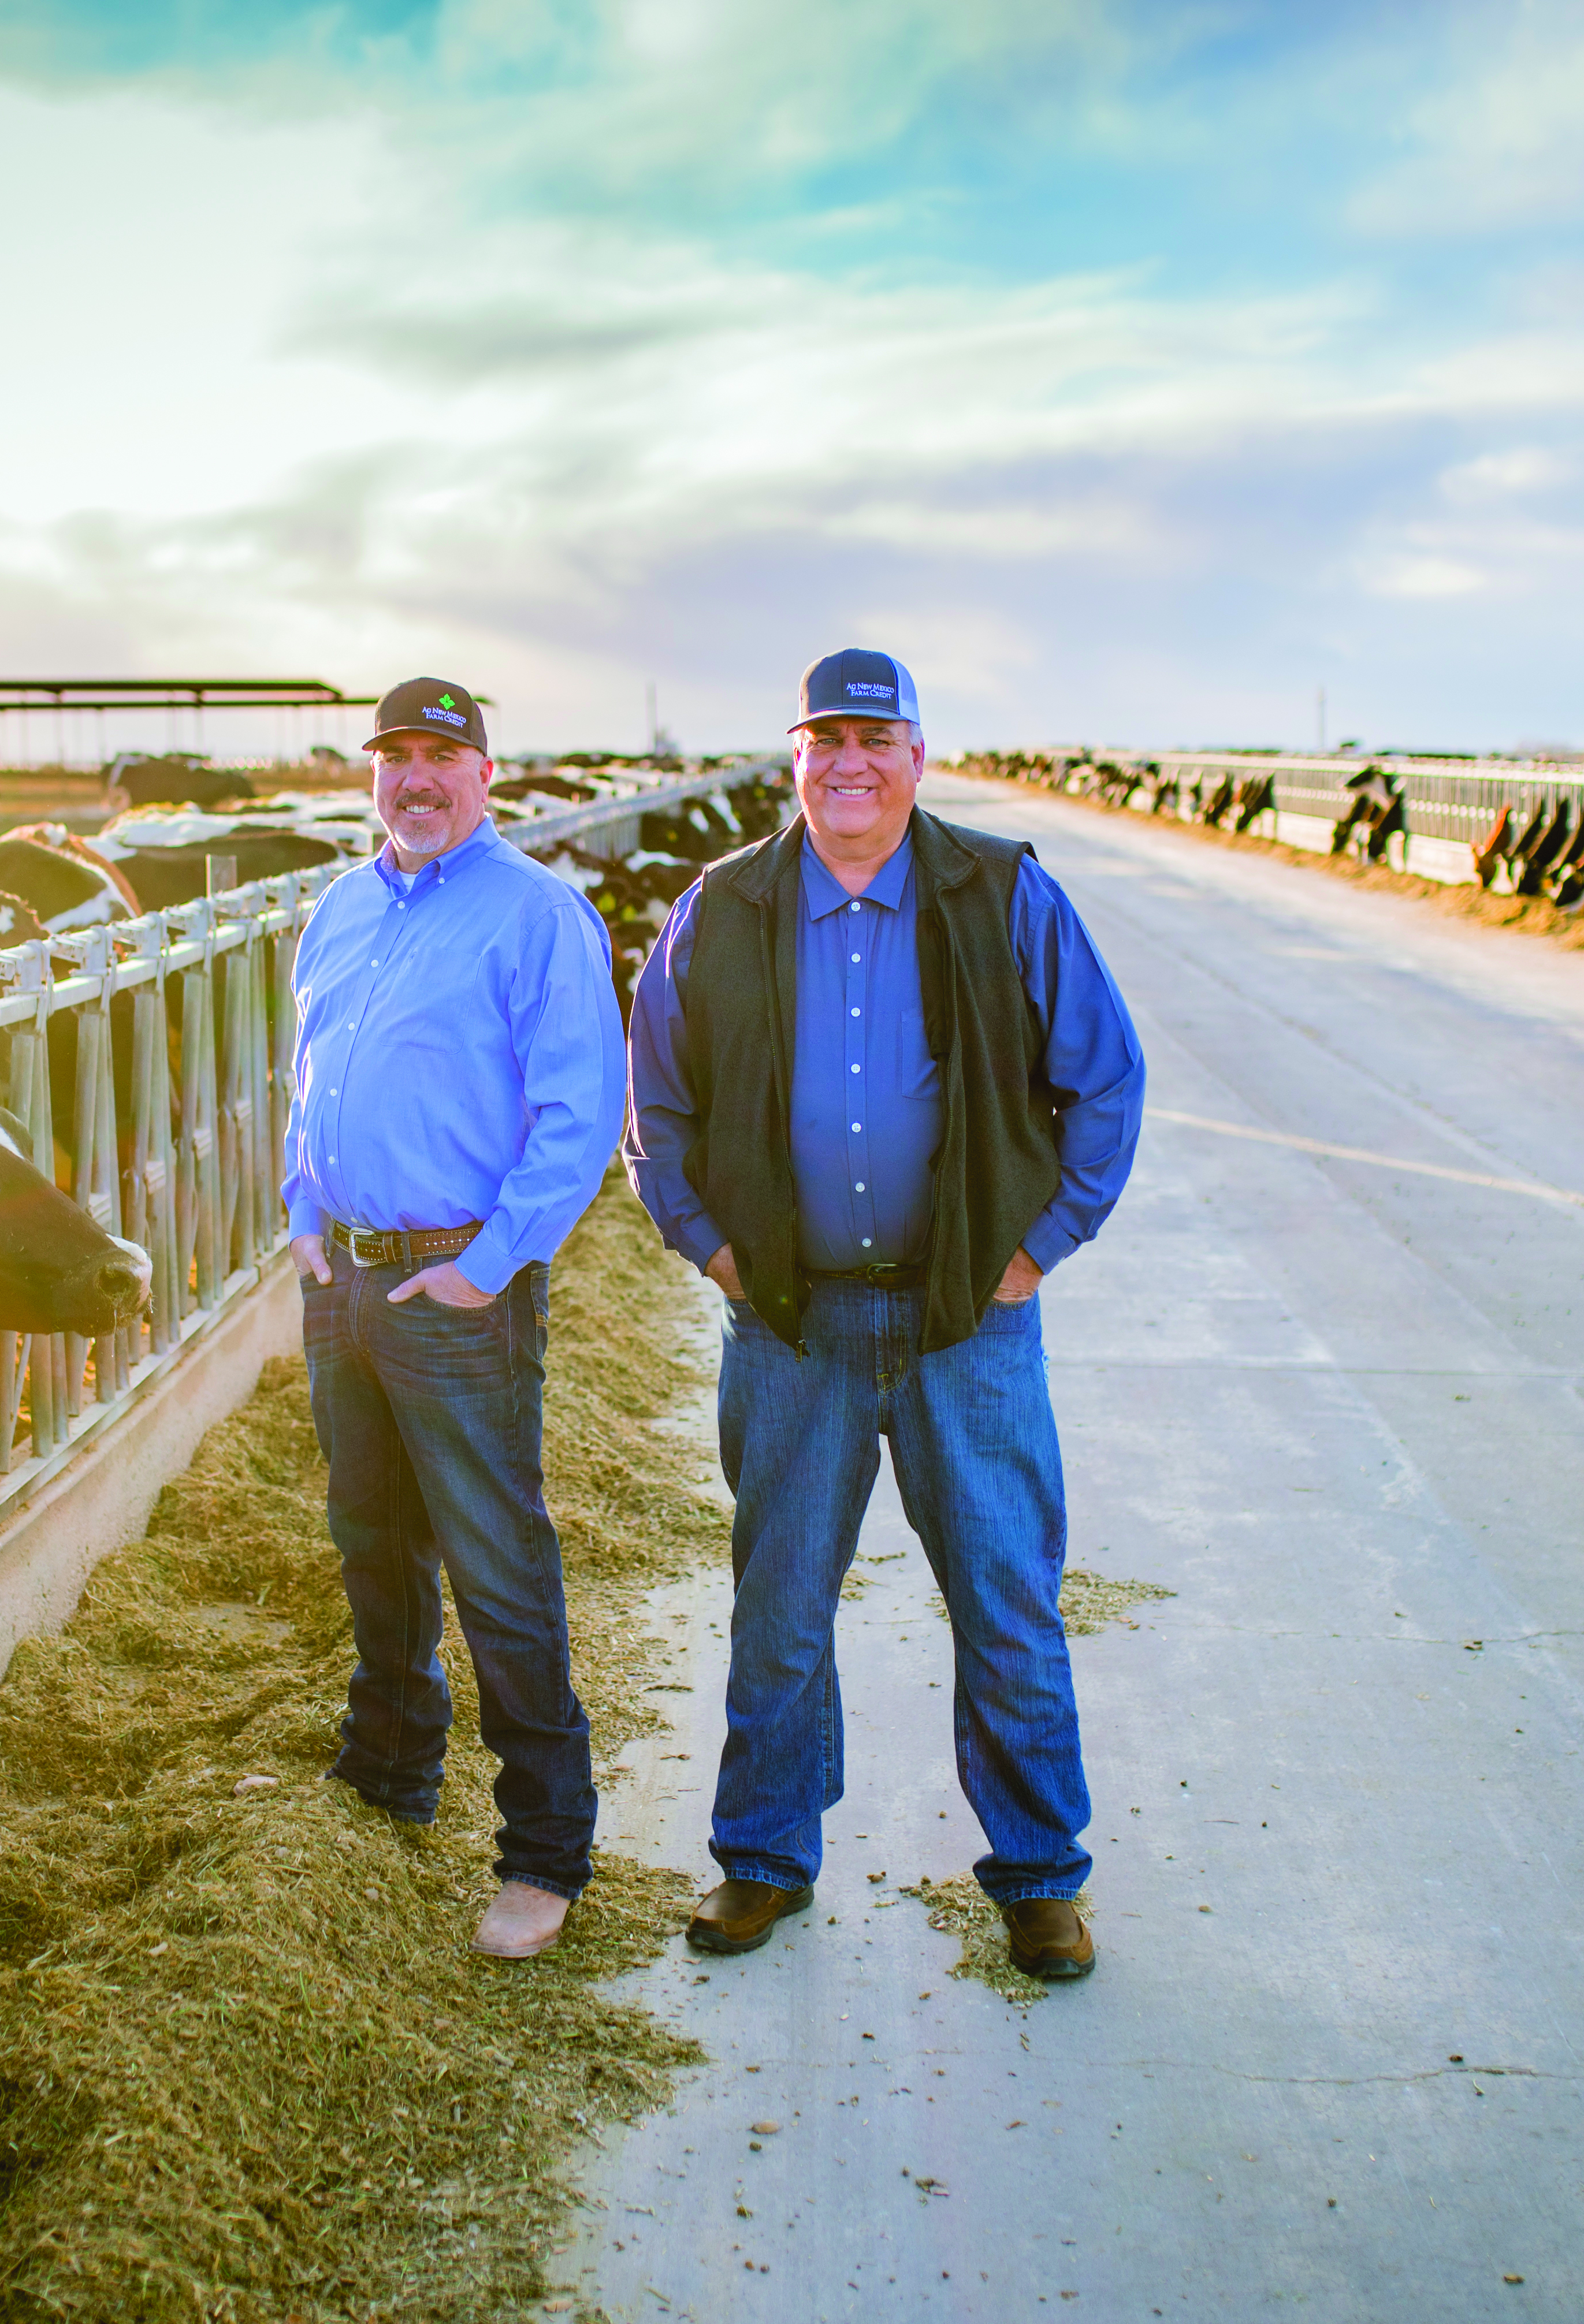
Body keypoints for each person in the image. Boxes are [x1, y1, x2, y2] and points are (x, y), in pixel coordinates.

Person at [626, 647, 1146, 1980]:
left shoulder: (1004, 891)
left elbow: (1106, 1079)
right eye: (824, 737)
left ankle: (1040, 1875)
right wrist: (711, 1249)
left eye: (875, 735)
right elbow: (660, 1101)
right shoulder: (726, 903)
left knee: (1008, 1602)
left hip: (966, 1321)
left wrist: (1035, 1249)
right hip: (793, 1322)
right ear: (793, 757)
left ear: (918, 755)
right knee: (780, 1603)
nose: (848, 761)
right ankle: (762, 1857)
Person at [284, 675, 628, 1959]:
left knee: (497, 1561)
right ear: (372, 775)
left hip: (453, 1286)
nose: (415, 779)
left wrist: (488, 1267)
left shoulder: (537, 913)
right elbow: (311, 1074)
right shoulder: (340, 904)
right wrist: (302, 1204)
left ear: (486, 774)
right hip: (348, 1283)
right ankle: (387, 1776)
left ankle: (545, 1851)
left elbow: (580, 1112)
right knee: (371, 1539)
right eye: (395, 759)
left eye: (441, 756)